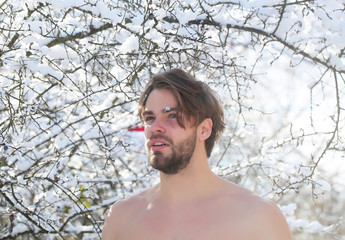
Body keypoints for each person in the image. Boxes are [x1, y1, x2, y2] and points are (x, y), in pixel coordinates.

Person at [102, 69, 292, 240]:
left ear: (204, 129)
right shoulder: (122, 218)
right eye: (150, 118)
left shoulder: (257, 217)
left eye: (172, 115)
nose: (155, 128)